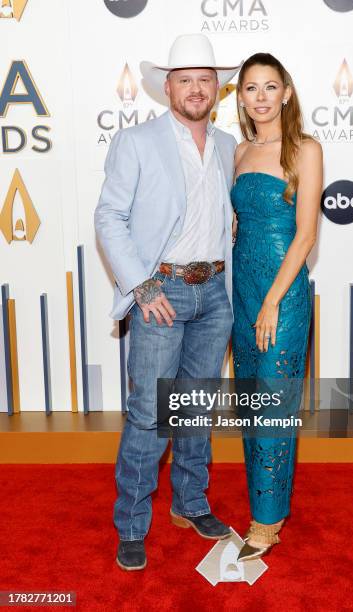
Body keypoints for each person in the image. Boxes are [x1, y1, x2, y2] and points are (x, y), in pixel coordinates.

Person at [94, 33, 241, 571]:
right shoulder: (136, 142)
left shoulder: (229, 146)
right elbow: (109, 217)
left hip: (215, 295)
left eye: (206, 79)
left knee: (196, 410)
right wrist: (142, 286)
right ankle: (131, 524)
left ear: (217, 89)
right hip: (163, 292)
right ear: (168, 87)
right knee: (150, 415)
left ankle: (191, 502)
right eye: (186, 80)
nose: (196, 89)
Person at [231, 53, 323, 561]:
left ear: (286, 91)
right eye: (250, 88)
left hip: (281, 298)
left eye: (270, 86)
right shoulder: (240, 151)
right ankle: (265, 502)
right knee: (252, 407)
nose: (261, 97)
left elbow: (306, 234)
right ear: (241, 96)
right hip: (242, 294)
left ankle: (266, 523)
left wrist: (271, 301)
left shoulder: (305, 149)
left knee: (272, 407)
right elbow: (239, 223)